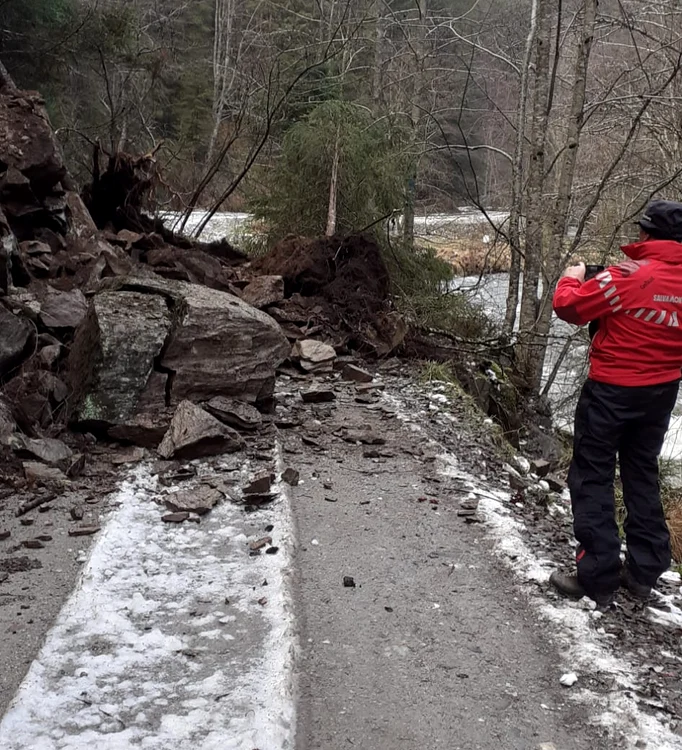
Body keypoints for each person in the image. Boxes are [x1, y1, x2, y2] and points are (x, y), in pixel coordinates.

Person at [550, 199, 682, 609]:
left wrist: (571, 278)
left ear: (647, 235)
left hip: (611, 391)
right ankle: (644, 571)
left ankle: (598, 576)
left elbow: (569, 307)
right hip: (662, 392)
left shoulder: (629, 275)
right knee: (641, 472)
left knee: (592, 475)